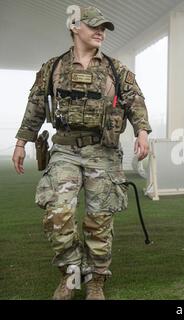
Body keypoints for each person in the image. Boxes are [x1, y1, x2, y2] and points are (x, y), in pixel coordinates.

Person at [11, 5, 151, 300]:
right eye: (94, 26)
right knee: (58, 215)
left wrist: (141, 131)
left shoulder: (116, 69)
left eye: (104, 28)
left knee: (99, 221)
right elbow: (36, 106)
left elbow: (135, 101)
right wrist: (22, 142)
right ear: (75, 27)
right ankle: (70, 275)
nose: (101, 31)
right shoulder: (53, 67)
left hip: (104, 152)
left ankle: (96, 281)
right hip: (65, 150)